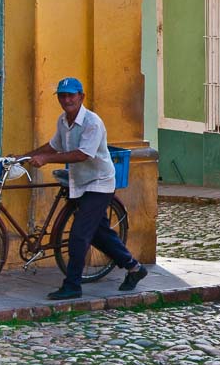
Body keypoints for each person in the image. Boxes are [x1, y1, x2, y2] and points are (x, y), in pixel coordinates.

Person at [21, 77, 147, 300]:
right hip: (79, 181)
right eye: (62, 95)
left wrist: (46, 159)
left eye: (71, 95)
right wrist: (28, 155)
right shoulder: (63, 121)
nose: (67, 99)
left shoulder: (92, 122)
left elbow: (82, 154)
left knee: (80, 234)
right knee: (98, 234)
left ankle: (73, 285)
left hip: (99, 182)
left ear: (81, 97)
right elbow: (54, 145)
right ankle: (134, 267)